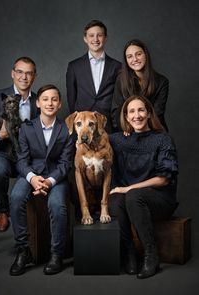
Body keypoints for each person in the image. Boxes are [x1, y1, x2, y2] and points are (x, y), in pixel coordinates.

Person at [109, 95, 178, 279]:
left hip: (160, 200)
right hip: (129, 200)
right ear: (125, 116)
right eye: (131, 111)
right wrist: (79, 142)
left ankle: (151, 255)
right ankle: (130, 254)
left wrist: (127, 189)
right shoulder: (118, 140)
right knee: (115, 199)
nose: (136, 115)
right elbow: (94, 140)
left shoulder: (162, 139)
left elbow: (163, 179)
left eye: (141, 110)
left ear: (148, 113)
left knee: (132, 195)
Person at [9, 84, 74, 276]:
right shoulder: (27, 129)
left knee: (57, 205)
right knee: (16, 197)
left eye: (54, 99)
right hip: (31, 174)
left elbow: (65, 163)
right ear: (37, 103)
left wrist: (49, 181)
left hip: (56, 177)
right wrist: (32, 178)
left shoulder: (66, 130)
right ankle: (23, 250)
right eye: (45, 99)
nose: (50, 103)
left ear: (60, 103)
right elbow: (21, 160)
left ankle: (56, 253)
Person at [0, 56, 38, 232]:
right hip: (0, 152)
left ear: (34, 76)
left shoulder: (40, 101)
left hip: (27, 156)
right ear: (13, 73)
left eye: (28, 73)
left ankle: (34, 239)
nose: (24, 77)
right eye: (19, 72)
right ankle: (3, 209)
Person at [66, 19, 121, 133]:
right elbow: (71, 99)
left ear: (105, 38)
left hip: (108, 124)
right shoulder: (74, 66)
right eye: (91, 35)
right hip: (83, 126)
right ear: (85, 39)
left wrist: (116, 123)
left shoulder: (117, 66)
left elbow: (119, 97)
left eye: (99, 35)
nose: (95, 39)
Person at [111, 39, 169, 131]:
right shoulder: (121, 80)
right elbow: (116, 111)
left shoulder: (162, 81)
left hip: (153, 130)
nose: (135, 59)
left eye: (138, 54)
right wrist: (126, 128)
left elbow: (158, 113)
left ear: (145, 55)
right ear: (126, 60)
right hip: (127, 130)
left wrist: (142, 129)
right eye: (129, 56)